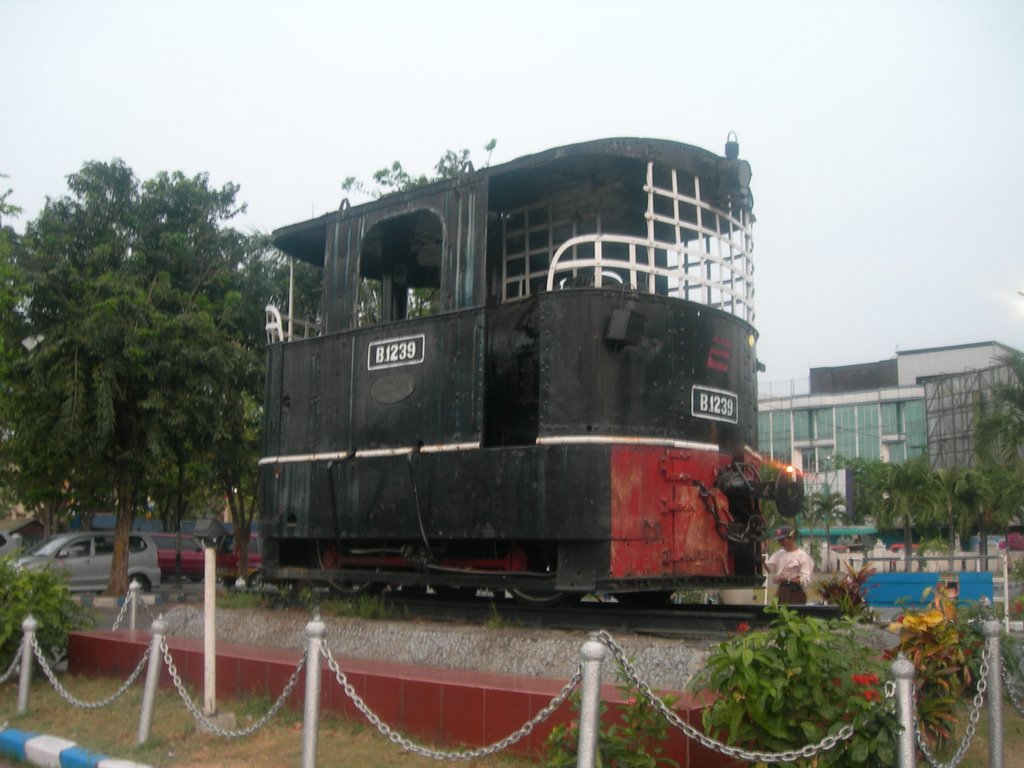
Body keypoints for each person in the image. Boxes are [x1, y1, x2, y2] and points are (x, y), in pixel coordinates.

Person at [766, 525, 814, 605]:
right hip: (782, 591)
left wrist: (787, 580)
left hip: (795, 593)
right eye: (779, 541)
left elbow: (804, 580)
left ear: (791, 538)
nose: (780, 543)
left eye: (782, 540)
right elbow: (768, 567)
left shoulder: (802, 556)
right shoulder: (779, 554)